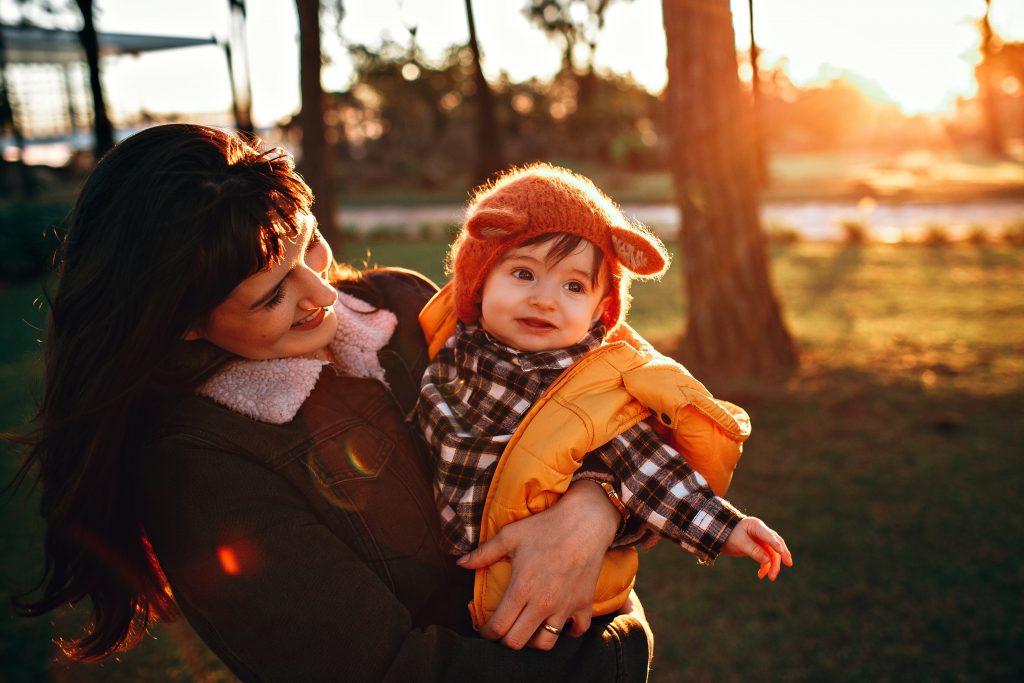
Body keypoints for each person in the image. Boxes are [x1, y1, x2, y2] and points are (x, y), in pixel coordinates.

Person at [9, 125, 653, 681]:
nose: (323, 292)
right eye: (270, 295)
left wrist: (598, 506)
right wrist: (618, 652)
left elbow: (613, 401)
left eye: (310, 243)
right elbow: (386, 674)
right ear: (180, 321)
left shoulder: (404, 305)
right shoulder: (199, 468)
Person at [415, 164, 794, 628]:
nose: (545, 299)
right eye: (522, 273)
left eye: (573, 286)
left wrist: (725, 528)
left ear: (600, 309)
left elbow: (648, 467)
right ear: (480, 279)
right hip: (450, 579)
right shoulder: (453, 346)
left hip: (541, 588)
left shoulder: (590, 385)